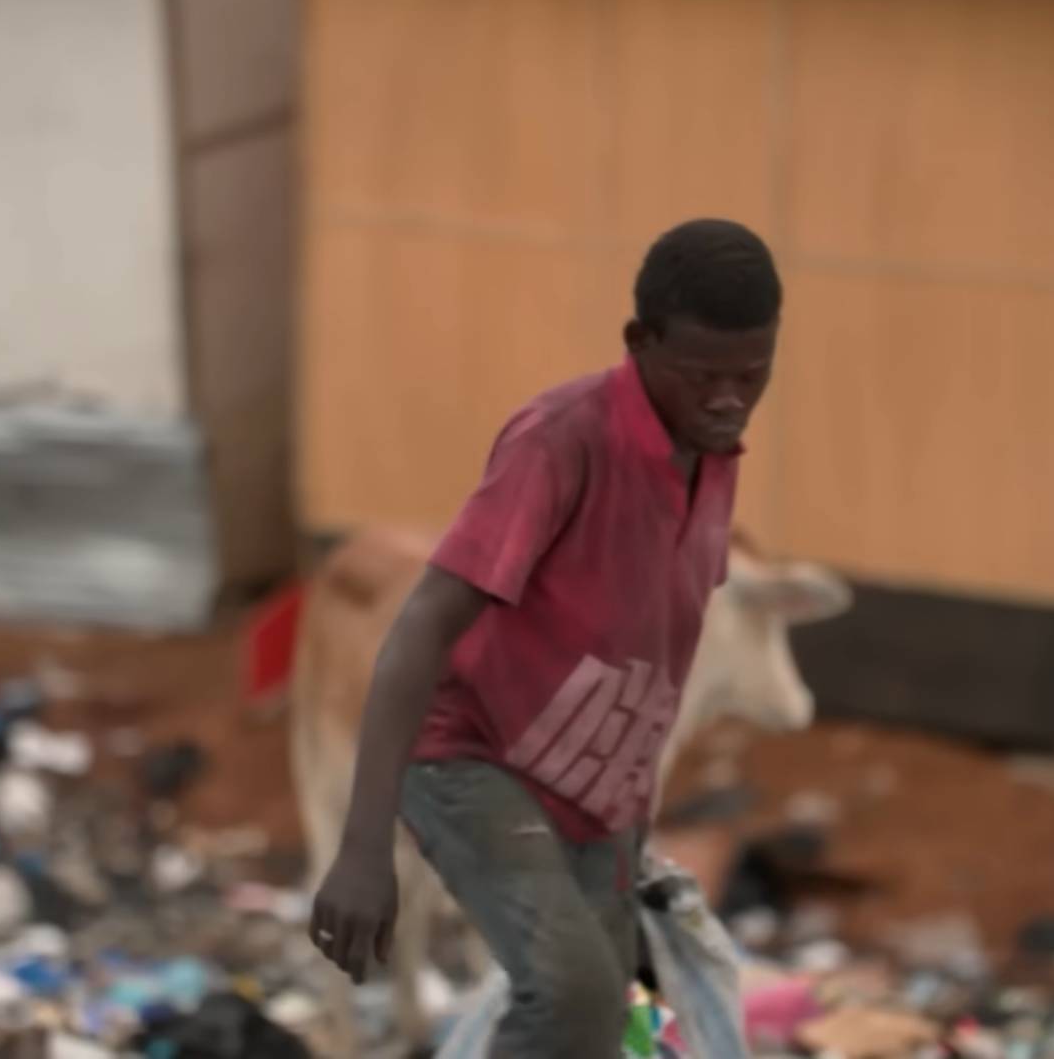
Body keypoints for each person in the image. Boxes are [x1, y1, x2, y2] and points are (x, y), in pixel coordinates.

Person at [310, 218, 782, 1057]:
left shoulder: (714, 449)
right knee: (574, 997)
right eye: (704, 374)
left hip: (597, 800)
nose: (729, 399)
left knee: (606, 1021)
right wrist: (361, 848)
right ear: (640, 343)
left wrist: (631, 829)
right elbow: (421, 625)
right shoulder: (562, 440)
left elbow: (651, 657)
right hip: (472, 759)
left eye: (752, 375)